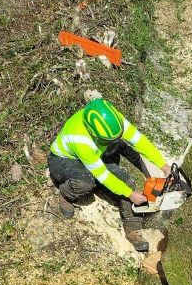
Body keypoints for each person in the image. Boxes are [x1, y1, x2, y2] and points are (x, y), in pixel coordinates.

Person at [48, 97, 171, 252]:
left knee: (128, 183)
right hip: (64, 160)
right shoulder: (80, 139)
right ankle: (66, 194)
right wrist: (130, 194)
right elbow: (102, 174)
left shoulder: (112, 120)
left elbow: (139, 141)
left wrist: (164, 165)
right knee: (86, 182)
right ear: (94, 133)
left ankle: (132, 229)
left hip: (96, 155)